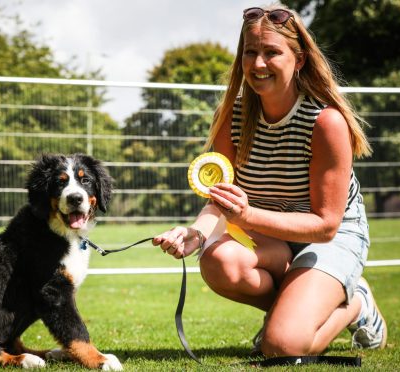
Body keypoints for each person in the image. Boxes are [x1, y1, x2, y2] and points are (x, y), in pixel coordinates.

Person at [152, 4, 386, 356]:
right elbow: (222, 197)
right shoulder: (232, 115)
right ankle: (296, 308)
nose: (258, 64)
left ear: (300, 58)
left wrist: (246, 217)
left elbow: (325, 226)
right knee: (218, 263)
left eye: (271, 52)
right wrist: (196, 233)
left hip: (330, 239)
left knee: (282, 346)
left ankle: (356, 303)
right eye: (250, 52)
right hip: (268, 235)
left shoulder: (326, 123)